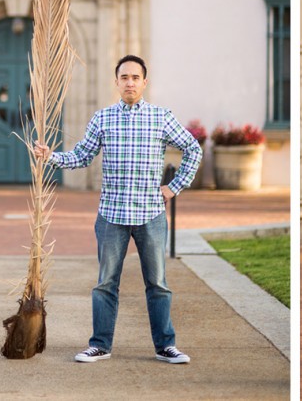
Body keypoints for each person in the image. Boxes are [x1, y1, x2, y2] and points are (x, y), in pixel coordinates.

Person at [33, 54, 201, 364]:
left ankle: (165, 346)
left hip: (151, 215)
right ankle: (100, 345)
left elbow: (194, 149)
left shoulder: (161, 117)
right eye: (124, 77)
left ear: (144, 82)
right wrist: (50, 156)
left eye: (135, 77)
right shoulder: (102, 118)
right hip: (111, 215)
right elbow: (82, 157)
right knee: (105, 284)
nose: (130, 82)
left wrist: (173, 188)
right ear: (117, 82)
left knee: (158, 285)